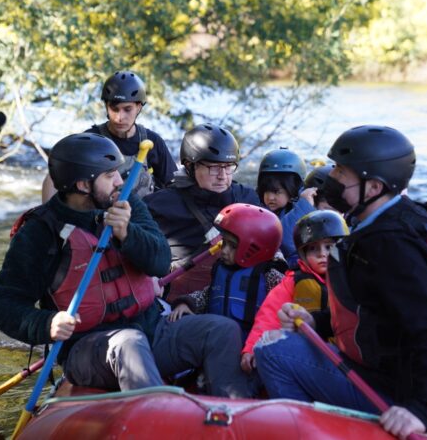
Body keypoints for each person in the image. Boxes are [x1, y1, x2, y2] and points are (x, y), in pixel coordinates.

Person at [254, 125, 427, 439]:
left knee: (272, 351)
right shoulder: (410, 218)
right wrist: (318, 321)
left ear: (373, 187)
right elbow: (377, 314)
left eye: (342, 172)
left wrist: (423, 411)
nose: (331, 177)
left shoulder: (388, 244)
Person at [0, 133, 253, 398]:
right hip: (87, 348)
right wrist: (46, 323)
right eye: (109, 175)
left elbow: (161, 262)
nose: (119, 181)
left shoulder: (125, 202)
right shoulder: (40, 232)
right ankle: (158, 418)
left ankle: (234, 420)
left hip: (151, 330)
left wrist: (127, 233)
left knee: (221, 330)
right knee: (129, 344)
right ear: (82, 184)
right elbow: (2, 305)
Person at [144, 123, 260, 302]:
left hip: (236, 297)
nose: (223, 176)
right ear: (190, 166)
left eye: (228, 166)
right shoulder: (160, 204)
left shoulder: (247, 199)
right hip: (175, 303)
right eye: (214, 167)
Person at [41, 71, 177, 202]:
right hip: (101, 220)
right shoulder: (91, 139)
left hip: (143, 220)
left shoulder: (153, 141)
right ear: (106, 106)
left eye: (127, 109)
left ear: (139, 107)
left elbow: (174, 186)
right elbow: (53, 178)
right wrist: (46, 218)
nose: (120, 117)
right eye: (114, 109)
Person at [241, 210, 348, 373]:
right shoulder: (292, 281)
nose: (322, 254)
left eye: (329, 247)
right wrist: (252, 347)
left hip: (347, 356)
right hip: (308, 355)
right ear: (303, 255)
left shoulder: (353, 277)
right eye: (313, 249)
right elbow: (269, 315)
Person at [168, 203, 286, 337]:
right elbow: (210, 293)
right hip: (215, 339)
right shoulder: (222, 268)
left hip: (250, 348)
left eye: (233, 246)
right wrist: (188, 303)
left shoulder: (271, 277)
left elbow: (283, 314)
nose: (223, 251)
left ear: (255, 247)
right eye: (224, 242)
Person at [256, 148, 317, 267]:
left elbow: (288, 241)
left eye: (277, 192)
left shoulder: (301, 210)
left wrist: (303, 206)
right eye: (266, 191)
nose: (270, 197)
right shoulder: (260, 212)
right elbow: (278, 240)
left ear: (292, 191)